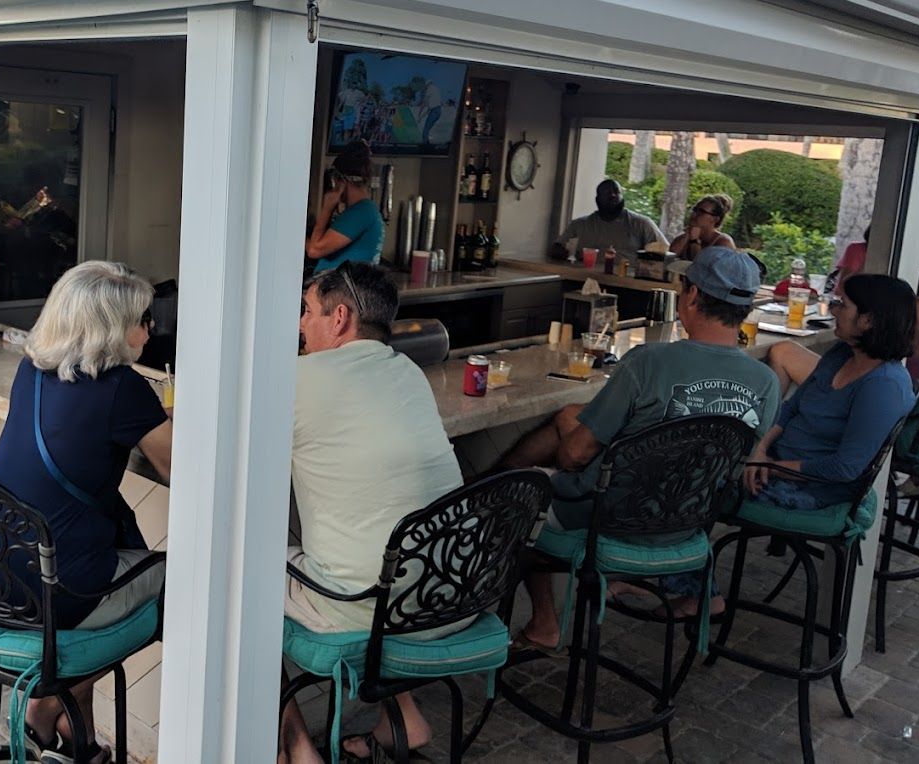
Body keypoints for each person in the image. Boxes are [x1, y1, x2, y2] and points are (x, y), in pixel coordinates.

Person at [500, 248, 779, 646]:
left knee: (518, 492)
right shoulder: (765, 382)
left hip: (606, 520)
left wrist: (567, 440)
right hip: (684, 530)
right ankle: (621, 583)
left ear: (693, 295)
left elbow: (574, 455)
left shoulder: (648, 361)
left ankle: (543, 624)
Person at [0, 261, 173, 764]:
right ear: (113, 326)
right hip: (56, 591)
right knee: (184, 587)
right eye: (143, 318)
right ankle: (48, 710)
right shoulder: (122, 388)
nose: (150, 328)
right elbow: (181, 468)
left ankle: (76, 739)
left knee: (90, 559)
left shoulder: (31, 370)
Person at [278, 263, 464, 764]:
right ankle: (401, 715)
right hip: (449, 594)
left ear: (339, 318)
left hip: (367, 608)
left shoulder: (294, 379)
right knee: (380, 547)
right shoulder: (408, 371)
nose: (300, 325)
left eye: (307, 312)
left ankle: (293, 747)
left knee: (234, 577)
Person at [743, 272, 916, 521]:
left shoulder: (884, 386)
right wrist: (759, 449)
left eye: (842, 305)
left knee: (703, 479)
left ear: (867, 320)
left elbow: (844, 468)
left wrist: (769, 466)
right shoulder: (843, 353)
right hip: (774, 465)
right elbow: (792, 407)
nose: (833, 311)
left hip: (814, 488)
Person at [306, 139, 385, 272]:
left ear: (341, 181)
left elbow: (314, 250)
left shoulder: (361, 213)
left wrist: (327, 207)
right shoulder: (364, 212)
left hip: (341, 291)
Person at [551, 179, 667, 263]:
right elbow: (556, 248)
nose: (612, 195)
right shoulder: (579, 225)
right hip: (583, 281)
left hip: (628, 285)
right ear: (597, 199)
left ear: (622, 196)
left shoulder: (642, 224)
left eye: (616, 192)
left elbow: (665, 253)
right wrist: (568, 254)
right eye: (606, 193)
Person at [669, 193, 737, 259]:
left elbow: (700, 266)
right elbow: (669, 258)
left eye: (701, 212)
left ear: (715, 219)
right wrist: (686, 236)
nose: (694, 214)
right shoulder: (684, 237)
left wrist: (694, 241)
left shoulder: (723, 243)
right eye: (695, 210)